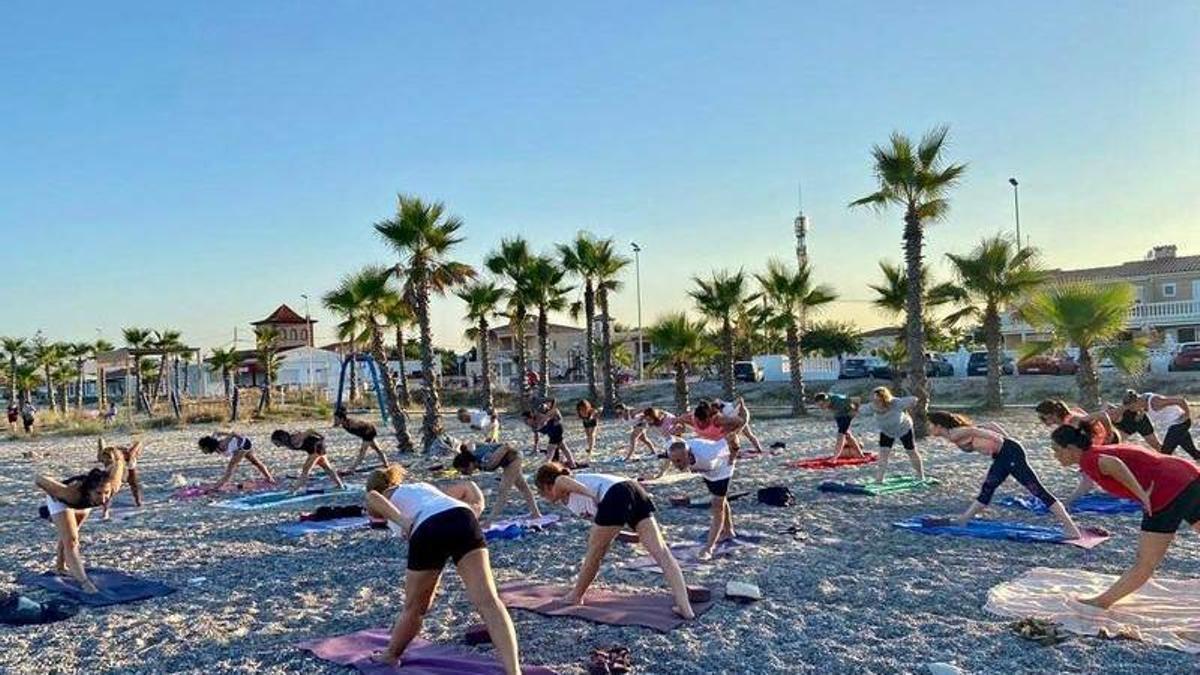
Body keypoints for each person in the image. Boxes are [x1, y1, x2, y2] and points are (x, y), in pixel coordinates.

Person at [364, 466, 522, 674]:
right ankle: (514, 671)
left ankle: (390, 655)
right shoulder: (421, 487)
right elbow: (469, 486)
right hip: (462, 517)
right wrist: (477, 506)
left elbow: (372, 497)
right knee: (489, 601)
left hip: (427, 527)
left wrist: (403, 522)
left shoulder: (386, 494)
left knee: (415, 607)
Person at [1050, 424, 1200, 609]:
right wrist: (1068, 501)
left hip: (1168, 489)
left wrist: (1142, 495)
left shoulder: (1091, 459)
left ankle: (1101, 602)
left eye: (1056, 450)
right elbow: (1096, 477)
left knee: (1145, 561)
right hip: (1189, 476)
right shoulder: (1091, 456)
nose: (1054, 456)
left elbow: (1114, 464)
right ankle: (1103, 601)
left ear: (1071, 449)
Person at [534, 463, 695, 619]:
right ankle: (685, 607)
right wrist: (630, 534)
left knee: (594, 552)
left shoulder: (560, 482)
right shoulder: (571, 497)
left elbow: (564, 481)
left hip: (616, 493)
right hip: (634, 490)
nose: (544, 497)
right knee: (662, 553)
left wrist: (592, 496)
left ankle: (575, 596)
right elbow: (604, 524)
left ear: (547, 486)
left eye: (542, 493)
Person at [926, 411, 1082, 540]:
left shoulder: (955, 433)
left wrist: (1001, 440)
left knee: (1038, 491)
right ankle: (963, 520)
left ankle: (1072, 530)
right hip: (1003, 455)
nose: (928, 427)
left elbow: (977, 431)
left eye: (930, 424)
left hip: (1009, 454)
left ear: (939, 425)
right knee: (987, 488)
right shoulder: (956, 433)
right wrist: (1005, 441)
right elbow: (991, 425)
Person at [35, 447, 125, 593]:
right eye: (99, 493)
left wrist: (115, 454)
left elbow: (120, 463)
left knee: (71, 533)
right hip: (61, 500)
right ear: (90, 491)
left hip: (85, 503)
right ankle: (84, 582)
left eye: (106, 493)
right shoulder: (71, 494)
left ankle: (60, 567)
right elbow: (39, 478)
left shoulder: (112, 485)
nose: (103, 498)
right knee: (71, 540)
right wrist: (50, 491)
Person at [1035, 399, 1122, 505]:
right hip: (1097, 443)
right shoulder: (1069, 419)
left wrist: (1109, 434)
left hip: (1105, 442)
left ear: (1052, 415)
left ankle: (1067, 503)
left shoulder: (1073, 421)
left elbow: (1102, 415)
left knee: (1088, 481)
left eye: (1043, 418)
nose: (1042, 421)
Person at [667, 437, 736, 559]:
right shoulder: (673, 449)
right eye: (673, 461)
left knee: (717, 506)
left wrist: (732, 457)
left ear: (688, 455)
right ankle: (729, 531)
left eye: (678, 461)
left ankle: (709, 548)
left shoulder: (709, 452)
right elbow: (672, 438)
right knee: (719, 499)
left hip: (722, 468)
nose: (676, 465)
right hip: (707, 471)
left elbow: (733, 438)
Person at [451, 440, 542, 521]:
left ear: (469, 464)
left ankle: (489, 521)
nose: (464, 473)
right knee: (523, 487)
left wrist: (495, 449)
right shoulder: (474, 456)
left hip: (513, 459)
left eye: (463, 470)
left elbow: (506, 446)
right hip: (508, 460)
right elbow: (471, 441)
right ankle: (536, 514)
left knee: (503, 491)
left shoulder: (487, 461)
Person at [856, 387, 925, 483]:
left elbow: (914, 399)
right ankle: (879, 479)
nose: (877, 402)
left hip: (904, 429)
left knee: (911, 451)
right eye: (875, 400)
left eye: (879, 400)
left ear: (885, 399)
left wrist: (910, 406)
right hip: (887, 431)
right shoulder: (872, 406)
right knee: (883, 454)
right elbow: (860, 409)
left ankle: (920, 475)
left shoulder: (895, 403)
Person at [1120, 390, 1198, 460]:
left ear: (1137, 401)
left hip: (1179, 424)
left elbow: (1180, 401)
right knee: (1193, 452)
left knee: (1164, 453)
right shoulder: (1142, 399)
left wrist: (1187, 414)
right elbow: (1143, 405)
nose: (1132, 410)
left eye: (1132, 407)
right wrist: (1140, 413)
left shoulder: (1155, 402)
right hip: (1175, 425)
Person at [269, 429, 346, 493]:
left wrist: (322, 437)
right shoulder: (288, 443)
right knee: (327, 467)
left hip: (317, 447)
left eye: (276, 443)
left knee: (306, 469)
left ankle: (293, 490)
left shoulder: (295, 439)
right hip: (313, 449)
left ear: (282, 439)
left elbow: (310, 431)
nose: (277, 446)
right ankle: (340, 485)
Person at [199, 432, 275, 490]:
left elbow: (233, 433)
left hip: (243, 445)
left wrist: (239, 439)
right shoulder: (214, 444)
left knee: (231, 466)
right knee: (255, 462)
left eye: (203, 448)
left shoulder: (222, 445)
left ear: (207, 446)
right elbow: (216, 432)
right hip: (242, 445)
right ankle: (270, 478)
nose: (202, 450)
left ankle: (217, 486)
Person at [677, 400, 747, 455]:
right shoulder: (690, 418)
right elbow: (676, 420)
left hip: (723, 441)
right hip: (711, 443)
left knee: (734, 438)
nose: (701, 424)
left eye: (704, 421)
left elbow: (741, 421)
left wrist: (734, 432)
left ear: (708, 418)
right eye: (699, 421)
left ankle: (732, 457)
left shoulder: (718, 420)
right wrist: (680, 433)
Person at [98, 439, 145, 520]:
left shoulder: (129, 457)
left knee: (134, 485)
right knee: (109, 490)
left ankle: (138, 502)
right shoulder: (108, 459)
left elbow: (138, 445)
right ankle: (138, 502)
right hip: (116, 466)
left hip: (126, 467)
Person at [521, 399, 577, 467]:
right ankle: (572, 463)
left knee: (550, 450)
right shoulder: (533, 426)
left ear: (531, 417)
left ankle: (547, 466)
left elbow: (555, 411)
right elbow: (536, 436)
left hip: (556, 429)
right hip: (552, 433)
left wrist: (547, 418)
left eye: (526, 420)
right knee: (563, 447)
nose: (525, 422)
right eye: (524, 421)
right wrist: (536, 447)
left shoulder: (539, 416)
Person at [335, 407, 392, 473]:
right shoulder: (344, 425)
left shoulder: (352, 423)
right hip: (365, 434)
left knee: (362, 452)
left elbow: (365, 425)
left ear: (342, 419)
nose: (335, 420)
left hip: (368, 432)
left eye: (336, 419)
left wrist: (367, 440)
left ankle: (352, 469)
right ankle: (386, 464)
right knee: (377, 449)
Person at [813, 392, 865, 459]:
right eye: (819, 406)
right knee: (847, 436)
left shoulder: (839, 400)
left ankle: (835, 457)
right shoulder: (828, 402)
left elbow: (857, 399)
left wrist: (855, 410)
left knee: (841, 434)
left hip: (847, 414)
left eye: (822, 405)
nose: (821, 407)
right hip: (838, 415)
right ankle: (860, 454)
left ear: (827, 400)